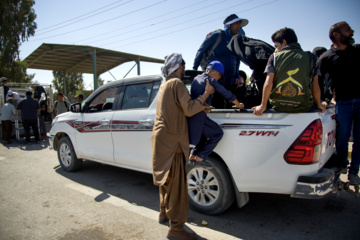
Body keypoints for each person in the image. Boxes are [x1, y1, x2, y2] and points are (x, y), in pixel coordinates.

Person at [152, 53, 214, 240]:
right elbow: (188, 109)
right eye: (183, 66)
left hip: (161, 139)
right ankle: (176, 228)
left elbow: (179, 108)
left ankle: (164, 212)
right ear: (179, 66)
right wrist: (207, 94)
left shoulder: (164, 85)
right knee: (177, 185)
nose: (184, 69)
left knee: (166, 180)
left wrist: (201, 106)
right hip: (173, 141)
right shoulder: (176, 84)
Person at [317, 21, 360, 184]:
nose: (352, 32)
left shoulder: (357, 51)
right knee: (342, 138)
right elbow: (317, 81)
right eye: (347, 30)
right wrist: (321, 99)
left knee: (359, 138)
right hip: (343, 103)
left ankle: (354, 172)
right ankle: (342, 165)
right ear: (336, 35)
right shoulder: (326, 57)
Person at [252, 27, 326, 115]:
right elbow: (315, 85)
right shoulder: (311, 57)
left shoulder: (274, 57)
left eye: (277, 46)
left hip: (278, 106)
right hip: (303, 106)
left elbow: (268, 83)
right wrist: (319, 104)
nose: (275, 50)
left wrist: (263, 106)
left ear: (284, 42)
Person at [188, 61, 244, 163]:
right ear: (216, 73)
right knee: (218, 133)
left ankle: (192, 156)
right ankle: (201, 157)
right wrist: (239, 104)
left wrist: (206, 106)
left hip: (192, 116)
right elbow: (226, 93)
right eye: (219, 76)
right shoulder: (210, 81)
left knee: (202, 139)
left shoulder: (196, 78)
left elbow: (194, 97)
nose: (218, 79)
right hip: (200, 117)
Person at [193, 14, 248, 108]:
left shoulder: (237, 41)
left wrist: (237, 76)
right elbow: (200, 51)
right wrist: (194, 70)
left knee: (231, 107)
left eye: (239, 23)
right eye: (236, 23)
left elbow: (237, 59)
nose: (238, 26)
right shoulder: (216, 36)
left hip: (230, 82)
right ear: (229, 25)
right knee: (217, 107)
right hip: (215, 81)